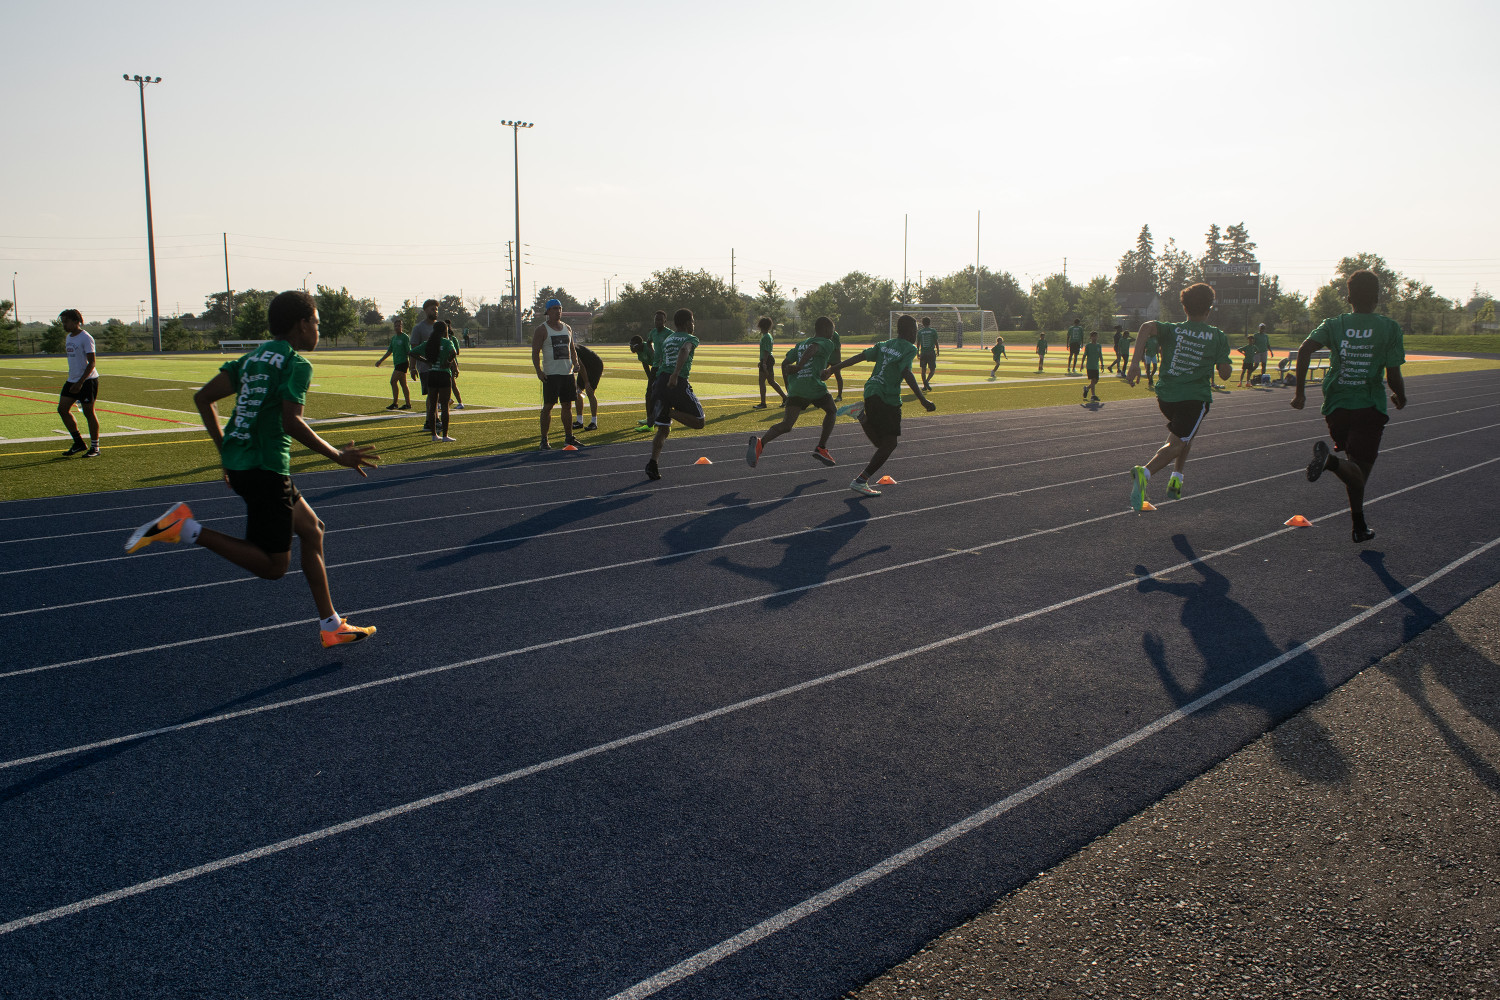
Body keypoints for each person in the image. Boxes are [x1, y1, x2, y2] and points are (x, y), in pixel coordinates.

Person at [124, 289, 379, 648]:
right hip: (265, 468)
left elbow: (203, 398)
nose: (318, 331)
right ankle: (185, 528)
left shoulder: (253, 358)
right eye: (317, 323)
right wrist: (338, 455)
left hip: (245, 463)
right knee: (274, 567)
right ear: (302, 324)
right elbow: (292, 422)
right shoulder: (296, 364)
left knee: (312, 530)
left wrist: (226, 452)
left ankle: (330, 624)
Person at [1292, 270, 1406, 543]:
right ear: (1377, 298)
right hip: (1369, 405)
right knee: (1359, 472)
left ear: (1348, 296)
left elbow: (1305, 349)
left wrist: (1299, 393)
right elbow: (1392, 373)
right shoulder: (1389, 328)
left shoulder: (1334, 324)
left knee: (1354, 471)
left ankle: (1359, 527)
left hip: (1336, 406)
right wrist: (1401, 397)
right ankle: (1330, 462)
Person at [1124, 282, 1233, 510]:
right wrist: (1223, 362)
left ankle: (1177, 478)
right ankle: (1145, 473)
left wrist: (1135, 364)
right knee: (1178, 443)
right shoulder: (1217, 336)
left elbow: (1145, 327)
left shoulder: (1172, 329)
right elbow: (1224, 374)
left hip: (1166, 397)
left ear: (1184, 308)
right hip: (1194, 397)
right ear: (1209, 309)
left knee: (1184, 435)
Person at [825, 314, 936, 495]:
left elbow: (859, 357)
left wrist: (832, 369)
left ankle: (860, 415)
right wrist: (922, 399)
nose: (916, 334)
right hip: (887, 397)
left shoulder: (884, 345)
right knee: (889, 444)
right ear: (910, 331)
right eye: (915, 330)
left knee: (882, 443)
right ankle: (861, 480)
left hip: (870, 391)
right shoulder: (909, 348)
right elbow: (906, 372)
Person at [747, 316, 840, 469]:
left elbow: (785, 363)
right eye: (832, 329)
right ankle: (821, 447)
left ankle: (760, 443)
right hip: (813, 387)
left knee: (787, 425)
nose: (833, 333)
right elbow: (813, 349)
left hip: (796, 388)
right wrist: (799, 367)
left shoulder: (801, 344)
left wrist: (789, 387)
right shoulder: (827, 343)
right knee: (831, 410)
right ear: (824, 329)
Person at [645, 308, 707, 480]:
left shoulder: (668, 339)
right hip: (676, 381)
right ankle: (668, 411)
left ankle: (653, 463)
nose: (693, 324)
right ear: (688, 323)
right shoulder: (690, 338)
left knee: (663, 429)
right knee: (699, 421)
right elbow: (684, 351)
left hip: (660, 382)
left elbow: (661, 360)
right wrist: (675, 375)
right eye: (692, 321)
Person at [531, 298, 581, 451]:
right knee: (548, 407)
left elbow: (572, 349)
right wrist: (539, 371)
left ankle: (569, 437)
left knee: (567, 406)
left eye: (559, 308)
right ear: (548, 311)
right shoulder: (542, 329)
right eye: (554, 308)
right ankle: (544, 440)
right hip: (551, 375)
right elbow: (535, 352)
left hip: (567, 373)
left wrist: (576, 363)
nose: (558, 311)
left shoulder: (567, 328)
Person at [57, 309, 101, 457]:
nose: (64, 325)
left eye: (66, 322)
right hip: (72, 380)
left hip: (87, 381)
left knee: (89, 413)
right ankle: (79, 443)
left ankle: (95, 447)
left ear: (76, 322)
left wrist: (80, 382)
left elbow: (92, 362)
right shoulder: (69, 337)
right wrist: (74, 381)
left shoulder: (85, 337)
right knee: (62, 409)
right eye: (62, 322)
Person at [634, 309, 674, 432]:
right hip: (656, 367)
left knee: (664, 395)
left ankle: (665, 422)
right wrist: (654, 353)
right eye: (656, 319)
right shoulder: (653, 333)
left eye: (660, 320)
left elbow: (673, 348)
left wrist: (666, 357)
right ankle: (649, 421)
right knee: (649, 394)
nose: (657, 322)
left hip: (666, 367)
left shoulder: (670, 334)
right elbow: (649, 343)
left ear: (665, 321)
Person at [423, 319, 459, 442]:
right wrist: (448, 362)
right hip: (444, 375)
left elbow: (412, 352)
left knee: (432, 406)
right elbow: (454, 352)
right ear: (445, 330)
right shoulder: (447, 342)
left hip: (432, 374)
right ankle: (445, 436)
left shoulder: (429, 343)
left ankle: (434, 435)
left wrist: (425, 361)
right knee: (444, 406)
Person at [409, 299, 439, 433]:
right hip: (426, 367)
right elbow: (413, 350)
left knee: (436, 395)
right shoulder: (419, 328)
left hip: (440, 367)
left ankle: (434, 420)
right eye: (432, 309)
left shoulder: (439, 326)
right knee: (432, 395)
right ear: (425, 310)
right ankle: (430, 421)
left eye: (436, 309)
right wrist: (412, 367)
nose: (435, 311)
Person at [374, 316, 413, 411]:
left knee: (393, 381)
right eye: (396, 326)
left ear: (402, 327)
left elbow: (409, 352)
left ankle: (395, 403)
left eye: (399, 326)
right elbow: (389, 351)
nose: (397, 327)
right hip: (397, 363)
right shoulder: (394, 338)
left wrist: (412, 365)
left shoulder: (405, 337)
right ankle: (408, 404)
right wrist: (381, 360)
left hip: (403, 363)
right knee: (403, 384)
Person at [753, 315, 788, 409]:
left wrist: (764, 362)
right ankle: (785, 398)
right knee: (770, 381)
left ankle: (763, 403)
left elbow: (766, 351)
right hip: (767, 359)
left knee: (763, 381)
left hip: (767, 360)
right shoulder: (767, 336)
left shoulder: (766, 337)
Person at [572, 341, 603, 431]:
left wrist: (586, 382)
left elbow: (580, 365)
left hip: (595, 365)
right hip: (585, 366)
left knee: (590, 392)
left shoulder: (571, 349)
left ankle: (594, 422)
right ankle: (579, 421)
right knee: (577, 392)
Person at [916, 316, 939, 390]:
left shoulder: (920, 332)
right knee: (932, 370)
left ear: (922, 323)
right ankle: (926, 382)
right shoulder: (933, 331)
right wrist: (938, 350)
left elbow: (918, 343)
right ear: (930, 323)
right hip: (931, 352)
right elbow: (936, 342)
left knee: (923, 369)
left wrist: (917, 353)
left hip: (923, 353)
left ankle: (925, 385)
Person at [1081, 330, 1103, 404]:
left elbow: (1100, 355)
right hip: (1090, 365)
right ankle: (1093, 395)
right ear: (1091, 337)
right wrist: (1082, 364)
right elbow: (1084, 355)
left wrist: (1102, 364)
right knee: (1093, 380)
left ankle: (1087, 388)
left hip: (1096, 366)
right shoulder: (1088, 346)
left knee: (1095, 381)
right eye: (1093, 336)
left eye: (1096, 336)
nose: (1095, 338)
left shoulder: (1099, 346)